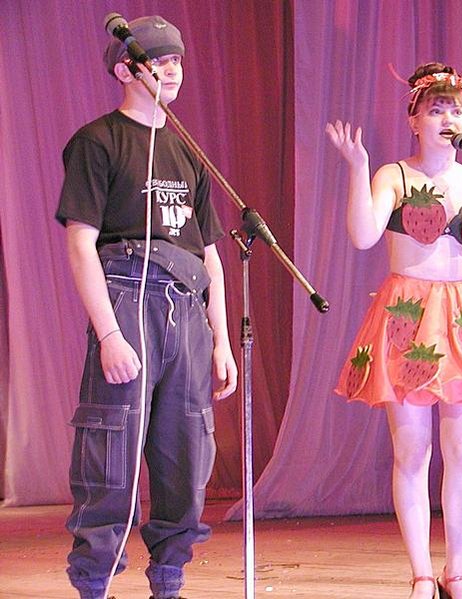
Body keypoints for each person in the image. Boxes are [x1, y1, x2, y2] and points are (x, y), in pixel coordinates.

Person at [326, 62, 462, 599]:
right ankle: (423, 574)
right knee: (412, 452)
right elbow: (362, 235)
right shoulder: (394, 175)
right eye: (436, 109)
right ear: (415, 120)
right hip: (408, 315)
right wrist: (358, 167)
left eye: (455, 109)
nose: (448, 118)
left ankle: (458, 572)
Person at [56, 16, 237, 599]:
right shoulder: (98, 141)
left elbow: (211, 256)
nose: (173, 70)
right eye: (159, 60)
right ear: (125, 70)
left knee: (186, 450)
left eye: (178, 59)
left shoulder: (189, 153)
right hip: (128, 298)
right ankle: (95, 581)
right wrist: (109, 333)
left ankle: (169, 579)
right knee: (111, 450)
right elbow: (81, 243)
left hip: (186, 310)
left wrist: (220, 340)